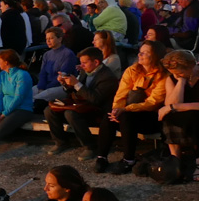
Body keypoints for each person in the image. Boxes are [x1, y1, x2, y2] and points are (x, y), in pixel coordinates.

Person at [94, 41, 168, 174]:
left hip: (152, 115)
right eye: (140, 51)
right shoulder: (132, 70)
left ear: (155, 56)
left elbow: (153, 102)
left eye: (145, 53)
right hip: (129, 112)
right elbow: (121, 94)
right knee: (110, 116)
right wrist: (116, 110)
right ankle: (101, 157)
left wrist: (126, 109)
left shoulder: (163, 76)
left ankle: (129, 159)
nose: (140, 55)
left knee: (126, 116)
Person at [43, 46, 119, 157]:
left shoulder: (107, 77)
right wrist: (65, 83)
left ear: (96, 62)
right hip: (82, 105)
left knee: (70, 113)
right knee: (49, 110)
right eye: (81, 62)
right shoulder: (85, 71)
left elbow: (96, 99)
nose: (81, 65)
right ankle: (61, 142)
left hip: (97, 111)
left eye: (84, 63)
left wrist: (76, 83)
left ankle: (90, 146)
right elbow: (75, 91)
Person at [158, 50, 199, 180]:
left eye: (180, 73)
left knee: (193, 117)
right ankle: (176, 161)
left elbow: (172, 106)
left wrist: (175, 107)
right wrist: (181, 82)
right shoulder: (173, 78)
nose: (176, 75)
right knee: (169, 117)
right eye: (174, 73)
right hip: (185, 115)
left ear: (192, 66)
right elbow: (171, 103)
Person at [34, 27, 80, 105]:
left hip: (61, 87)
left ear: (60, 39)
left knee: (37, 98)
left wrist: (46, 88)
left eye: (51, 38)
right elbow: (43, 73)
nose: (48, 41)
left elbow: (63, 75)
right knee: (28, 93)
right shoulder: (47, 54)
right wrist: (41, 87)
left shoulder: (68, 54)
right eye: (47, 39)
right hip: (46, 85)